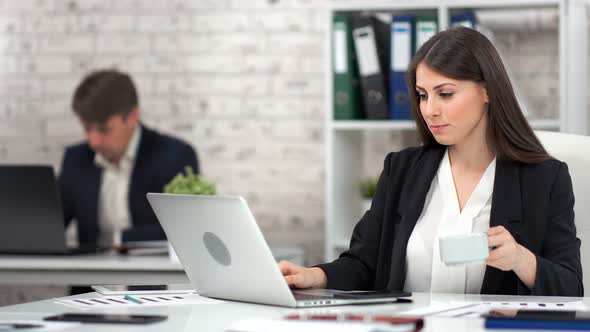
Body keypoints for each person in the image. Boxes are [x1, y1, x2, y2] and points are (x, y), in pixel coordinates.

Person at [280, 27, 583, 296]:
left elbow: (571, 285)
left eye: (446, 94)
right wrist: (314, 275)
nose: (429, 110)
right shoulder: (401, 170)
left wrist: (520, 259)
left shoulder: (544, 178)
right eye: (423, 95)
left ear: (487, 90)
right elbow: (363, 263)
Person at [58, 69, 199, 248]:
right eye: (87, 128)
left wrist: (119, 239)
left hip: (152, 272)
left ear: (132, 117)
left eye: (104, 129)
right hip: (91, 274)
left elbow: (183, 228)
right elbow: (51, 225)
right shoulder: (76, 159)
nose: (94, 141)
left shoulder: (174, 156)